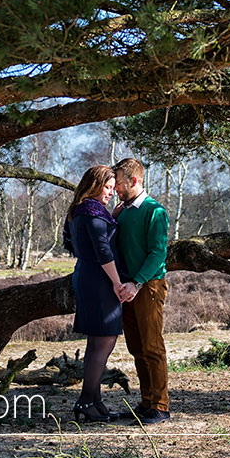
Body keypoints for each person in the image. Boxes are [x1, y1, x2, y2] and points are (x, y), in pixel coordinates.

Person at [63, 164, 133, 422]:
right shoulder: (92, 213)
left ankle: (95, 400)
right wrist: (117, 283)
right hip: (100, 280)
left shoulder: (82, 211)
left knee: (97, 344)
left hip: (88, 276)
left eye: (114, 188)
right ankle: (84, 402)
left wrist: (111, 216)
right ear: (94, 185)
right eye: (108, 187)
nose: (111, 193)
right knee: (103, 343)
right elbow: (103, 251)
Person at [112, 157, 171, 424]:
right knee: (136, 347)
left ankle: (160, 405)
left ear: (134, 181)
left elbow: (158, 253)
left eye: (120, 184)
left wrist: (136, 283)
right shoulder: (122, 211)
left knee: (152, 346)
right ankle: (146, 403)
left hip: (148, 287)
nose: (116, 189)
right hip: (126, 289)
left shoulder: (154, 211)